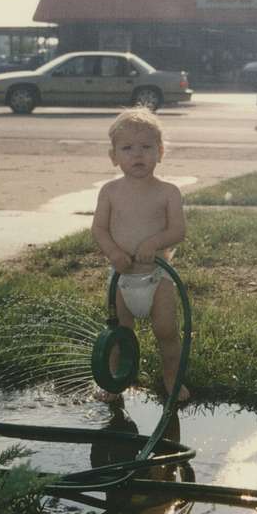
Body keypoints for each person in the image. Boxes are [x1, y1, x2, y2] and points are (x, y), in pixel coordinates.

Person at [92, 108, 189, 402]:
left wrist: (154, 242)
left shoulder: (168, 192)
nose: (137, 155)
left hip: (157, 278)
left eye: (146, 147)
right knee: (119, 334)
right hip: (121, 278)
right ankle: (115, 382)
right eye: (128, 148)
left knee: (166, 332)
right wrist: (112, 252)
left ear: (160, 152)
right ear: (114, 157)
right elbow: (99, 229)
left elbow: (178, 231)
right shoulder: (110, 192)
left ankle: (172, 379)